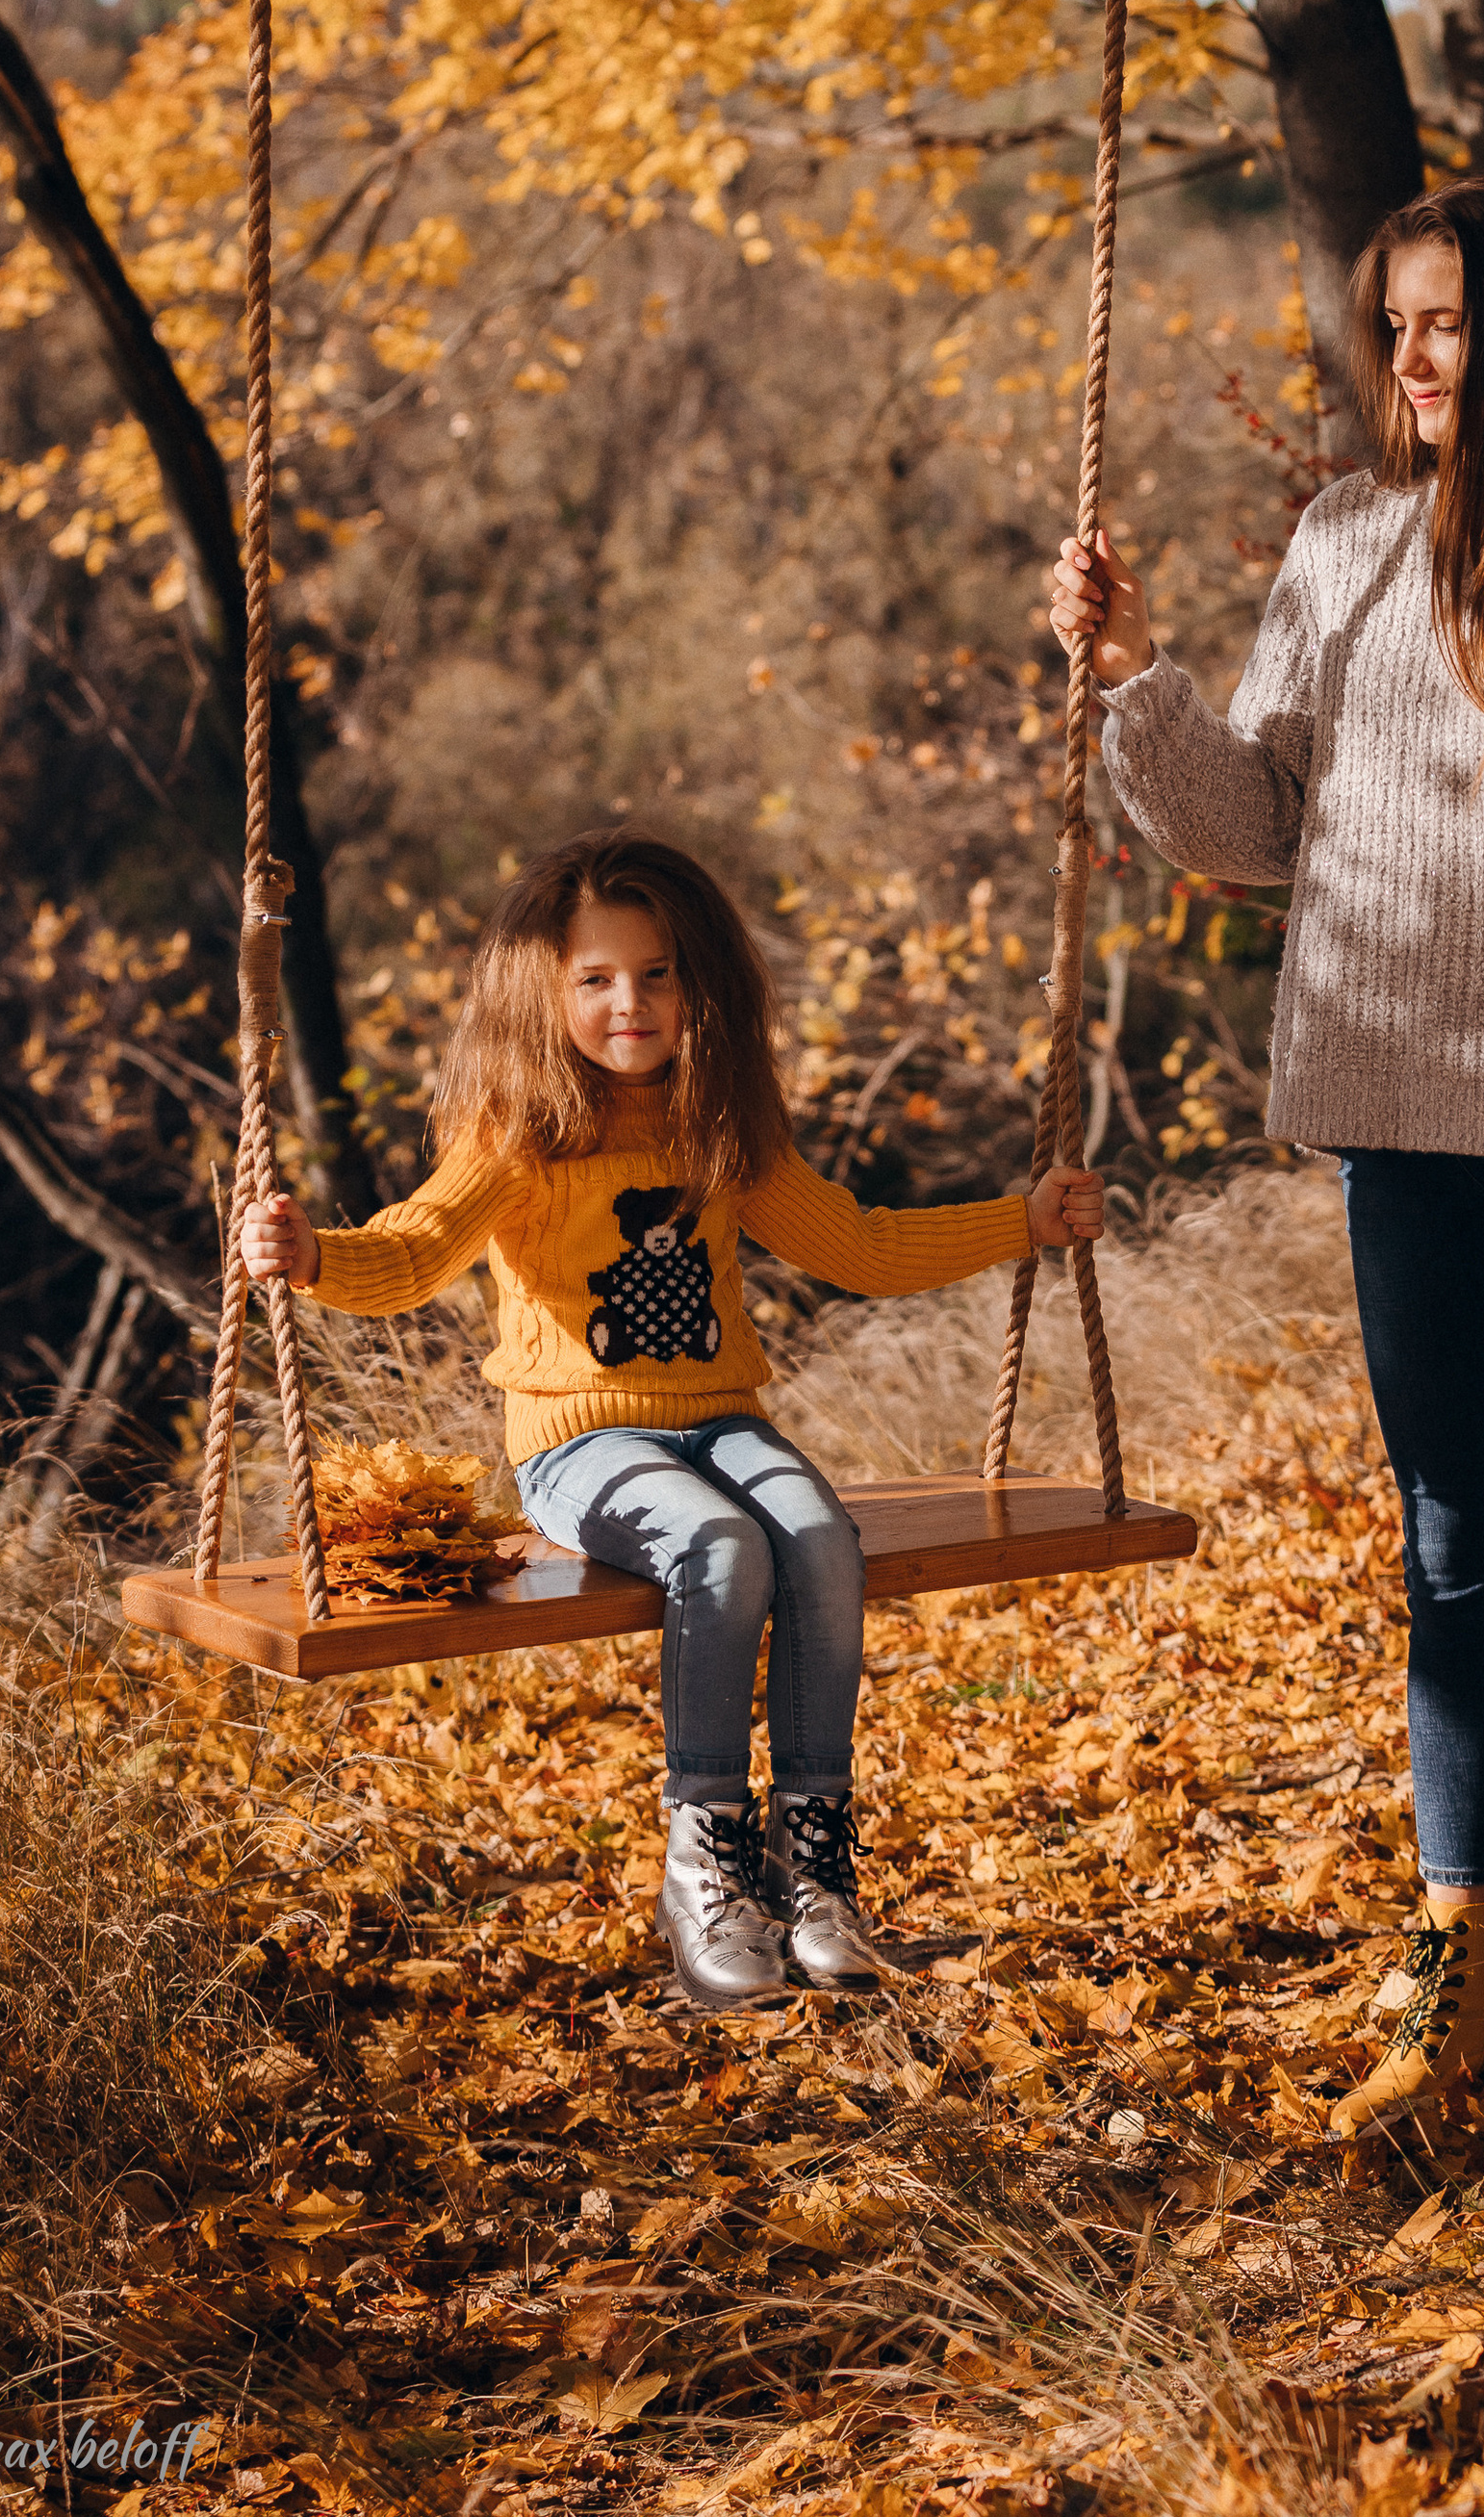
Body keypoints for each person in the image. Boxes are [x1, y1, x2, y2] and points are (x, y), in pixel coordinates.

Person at [1050, 179, 1484, 2171]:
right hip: (1391, 1133)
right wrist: (1138, 674)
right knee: (1445, 1556)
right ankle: (1466, 1974)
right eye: (1394, 324)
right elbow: (1251, 828)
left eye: (1445, 321)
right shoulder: (1341, 543)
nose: (1411, 358)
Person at [238, 830, 1101, 2010]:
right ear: (544, 994)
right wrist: (314, 1255)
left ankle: (815, 1872)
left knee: (815, 1534)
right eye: (593, 979)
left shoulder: (718, 1126)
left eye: (655, 974)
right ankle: (702, 1856)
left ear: (700, 985)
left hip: (719, 1419)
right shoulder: (518, 1133)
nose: (627, 1003)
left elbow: (863, 1244)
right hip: (575, 1445)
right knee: (718, 1544)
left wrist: (1024, 1220)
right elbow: (413, 1251)